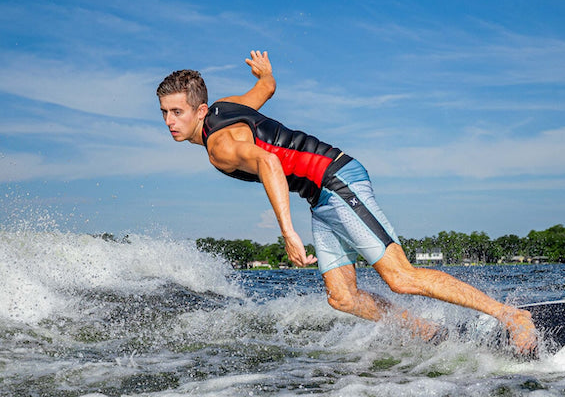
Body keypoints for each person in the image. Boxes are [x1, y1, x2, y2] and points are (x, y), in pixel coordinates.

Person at [156, 50, 537, 353]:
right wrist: (264, 73)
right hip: (319, 196)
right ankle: (429, 331)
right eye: (165, 113)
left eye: (178, 112)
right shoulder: (226, 105)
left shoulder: (219, 146)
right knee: (342, 297)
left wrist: (287, 233)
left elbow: (269, 162)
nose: (170, 121)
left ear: (200, 110)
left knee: (400, 277)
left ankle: (512, 315)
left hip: (336, 180)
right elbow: (266, 90)